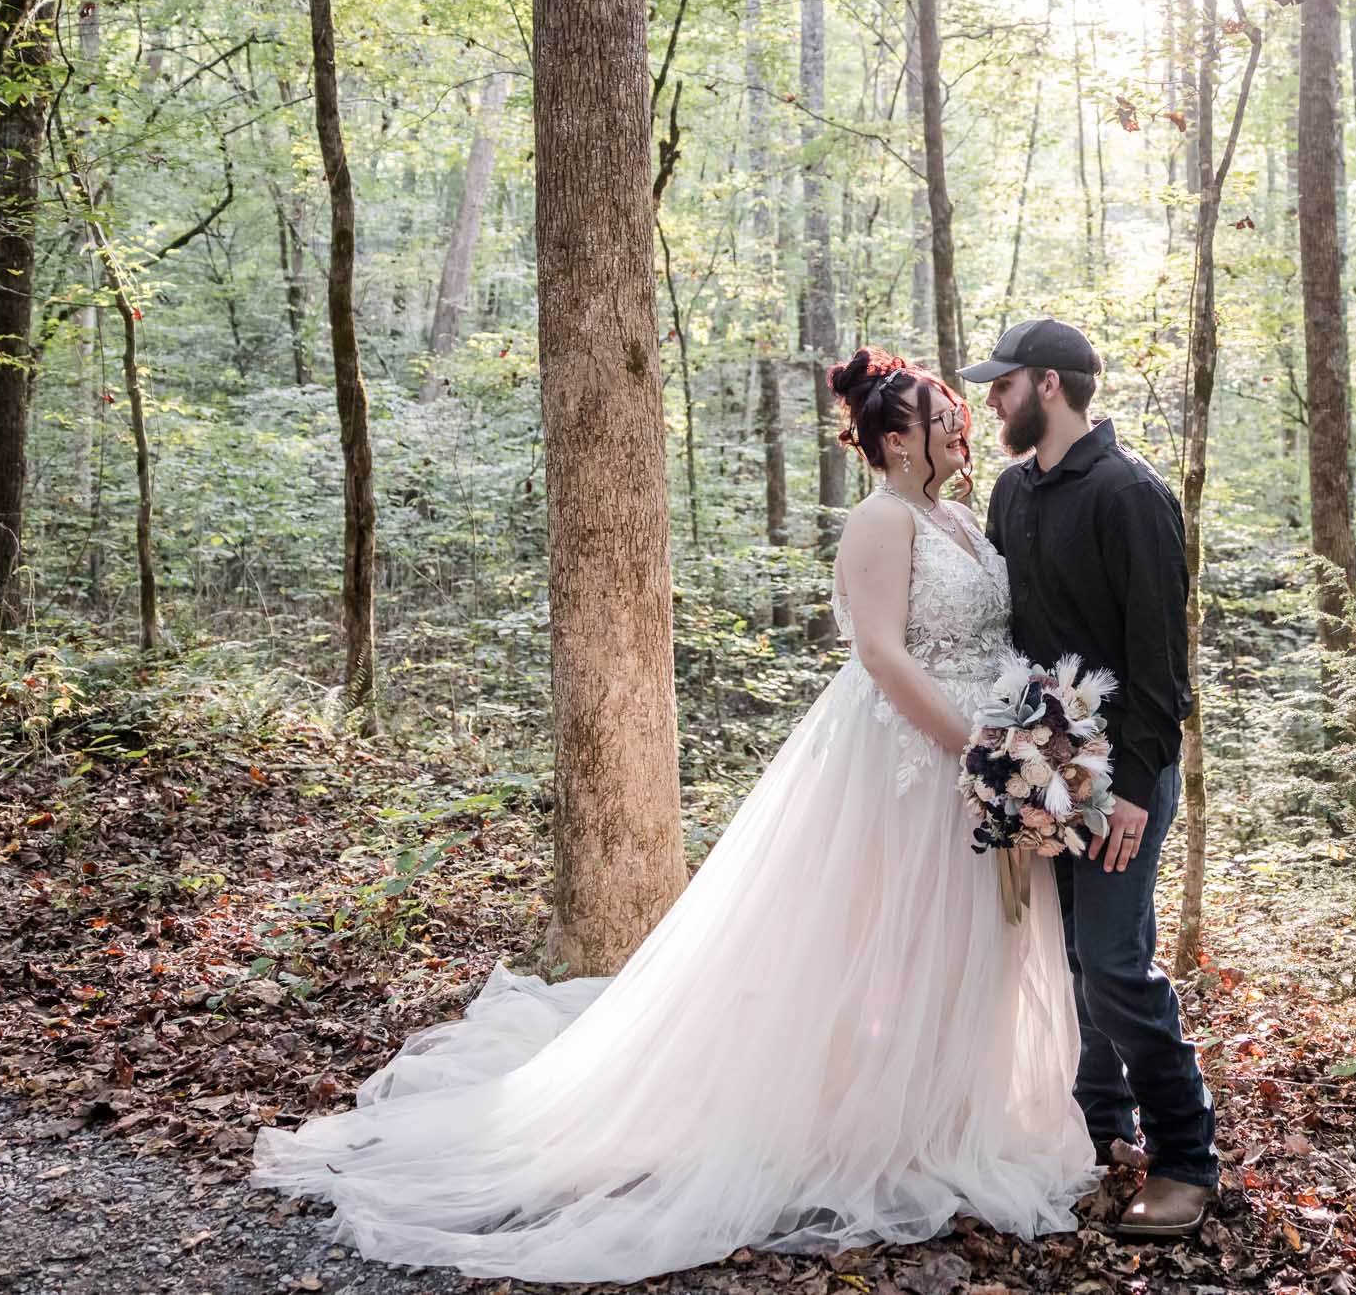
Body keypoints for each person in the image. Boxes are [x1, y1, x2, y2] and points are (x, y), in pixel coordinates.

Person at [250, 348, 1095, 1284]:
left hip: (985, 763)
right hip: (909, 754)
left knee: (962, 939)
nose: (960, 425)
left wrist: (1023, 741)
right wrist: (972, 747)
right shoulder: (878, 520)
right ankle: (869, 1126)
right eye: (940, 414)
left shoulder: (964, 519)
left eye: (956, 413)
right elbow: (884, 656)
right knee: (887, 939)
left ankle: (944, 1114)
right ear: (895, 439)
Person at [963, 317, 1221, 1239]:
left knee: (1113, 961)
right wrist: (1010, 766)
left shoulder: (1131, 493)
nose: (991, 399)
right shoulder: (1010, 490)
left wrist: (1140, 791)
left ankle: (1187, 1156)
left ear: (1049, 385)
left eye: (1002, 385)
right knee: (1076, 959)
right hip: (1042, 771)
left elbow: (1160, 666)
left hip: (1127, 774)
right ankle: (1099, 1129)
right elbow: (1011, 639)